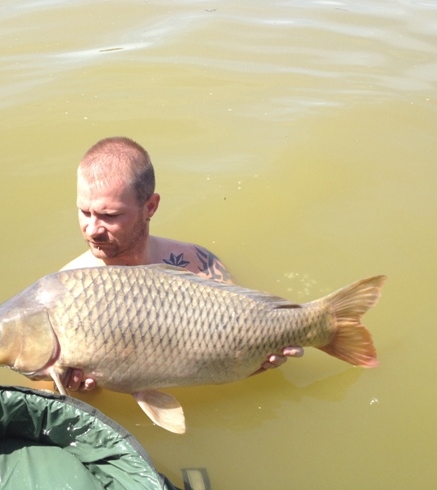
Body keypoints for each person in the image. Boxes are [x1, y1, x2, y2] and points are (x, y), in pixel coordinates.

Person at [60, 137, 303, 391]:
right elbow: (40, 388)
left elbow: (238, 346)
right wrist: (72, 389)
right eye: (84, 212)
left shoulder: (199, 265)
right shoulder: (67, 291)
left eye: (110, 216)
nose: (92, 230)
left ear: (150, 207)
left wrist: (258, 361)